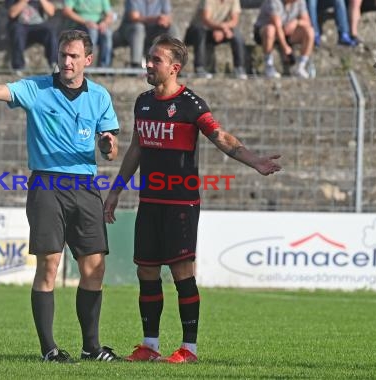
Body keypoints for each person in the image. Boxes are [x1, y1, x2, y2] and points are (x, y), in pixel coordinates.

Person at [103, 34, 281, 363]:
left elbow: (221, 137)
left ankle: (189, 349)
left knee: (182, 272)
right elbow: (136, 148)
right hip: (150, 201)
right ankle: (150, 345)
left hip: (180, 203)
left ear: (175, 68)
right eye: (149, 59)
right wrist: (115, 190)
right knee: (146, 272)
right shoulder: (142, 102)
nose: (149, 65)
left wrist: (254, 160)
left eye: (156, 60)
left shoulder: (191, 104)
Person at [0, 30, 120, 363]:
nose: (66, 61)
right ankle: (49, 349)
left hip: (84, 187)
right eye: (62, 54)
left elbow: (109, 144)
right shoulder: (36, 88)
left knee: (94, 268)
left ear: (87, 59)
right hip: (47, 186)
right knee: (49, 265)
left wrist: (108, 146)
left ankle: (91, 347)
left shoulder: (99, 96)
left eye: (73, 56)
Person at [185, 0, 248, 79]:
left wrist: (222, 28)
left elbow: (234, 21)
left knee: (236, 34)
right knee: (200, 32)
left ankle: (239, 68)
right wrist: (220, 28)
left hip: (221, 29)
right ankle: (199, 68)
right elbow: (206, 19)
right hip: (199, 30)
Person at [253, 0, 315, 78]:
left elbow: (307, 21)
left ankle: (301, 66)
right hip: (266, 32)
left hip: (287, 32)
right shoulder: (274, 2)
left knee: (310, 31)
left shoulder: (300, 2)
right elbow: (277, 26)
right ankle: (268, 65)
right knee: (270, 29)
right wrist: (285, 47)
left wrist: (296, 22)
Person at [114, 0, 180, 68]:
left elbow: (168, 16)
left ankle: (176, 62)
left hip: (153, 30)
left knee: (172, 29)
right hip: (130, 30)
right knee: (138, 28)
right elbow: (134, 17)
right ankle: (136, 63)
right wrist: (155, 19)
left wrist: (165, 21)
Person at [5, 0, 59, 72]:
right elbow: (12, 14)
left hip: (39, 27)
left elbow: (51, 12)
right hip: (20, 26)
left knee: (50, 32)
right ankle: (18, 67)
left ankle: (53, 63)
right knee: (17, 32)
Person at [63, 0, 115, 67]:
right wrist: (85, 22)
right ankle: (86, 66)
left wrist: (104, 23)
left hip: (98, 26)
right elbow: (67, 11)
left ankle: (104, 66)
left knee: (107, 34)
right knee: (92, 32)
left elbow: (110, 15)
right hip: (78, 25)